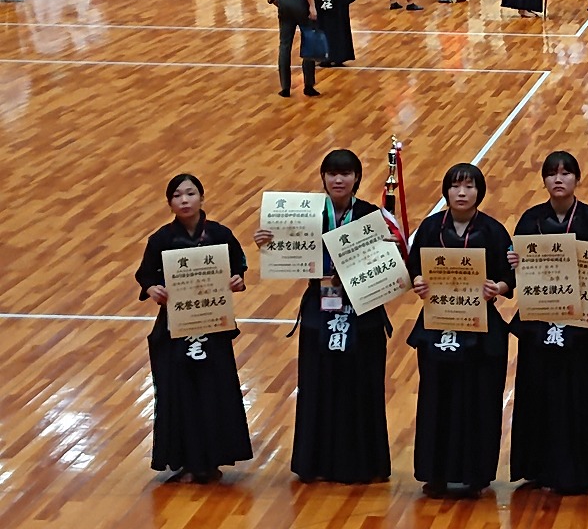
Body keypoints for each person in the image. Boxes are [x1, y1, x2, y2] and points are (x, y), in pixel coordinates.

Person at [253, 150, 399, 483]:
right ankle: (315, 462)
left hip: (363, 312)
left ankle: (363, 463)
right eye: (332, 173)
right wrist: (268, 243)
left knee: (361, 388)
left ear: (357, 179)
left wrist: (390, 250)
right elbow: (287, 252)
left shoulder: (372, 216)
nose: (338, 179)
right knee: (318, 386)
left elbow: (391, 270)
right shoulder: (305, 216)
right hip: (320, 309)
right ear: (323, 178)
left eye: (345, 173)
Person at [506, 152, 588, 495]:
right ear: (543, 180)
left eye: (566, 173)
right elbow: (515, 271)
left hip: (580, 324)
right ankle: (538, 467)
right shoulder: (529, 220)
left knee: (579, 392)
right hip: (539, 322)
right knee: (538, 391)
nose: (558, 179)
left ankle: (581, 469)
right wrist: (514, 263)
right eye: (552, 173)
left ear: (576, 179)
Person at [134, 174, 252, 485]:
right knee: (180, 392)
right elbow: (144, 276)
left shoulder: (220, 234)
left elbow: (239, 266)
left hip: (213, 325)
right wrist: (152, 289)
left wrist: (237, 281)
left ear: (202, 197)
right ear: (169, 202)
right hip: (175, 328)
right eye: (177, 195)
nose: (184, 200)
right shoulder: (160, 239)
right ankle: (184, 458)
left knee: (215, 390)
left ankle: (213, 457)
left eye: (190, 193)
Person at [406, 163, 514, 498]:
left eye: (469, 186)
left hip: (481, 332)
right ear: (446, 191)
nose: (462, 193)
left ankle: (476, 473)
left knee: (478, 401)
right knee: (436, 399)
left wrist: (497, 286)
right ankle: (434, 473)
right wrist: (418, 282)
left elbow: (511, 280)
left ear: (480, 192)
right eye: (455, 186)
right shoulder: (428, 229)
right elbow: (412, 271)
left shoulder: (495, 231)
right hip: (437, 326)